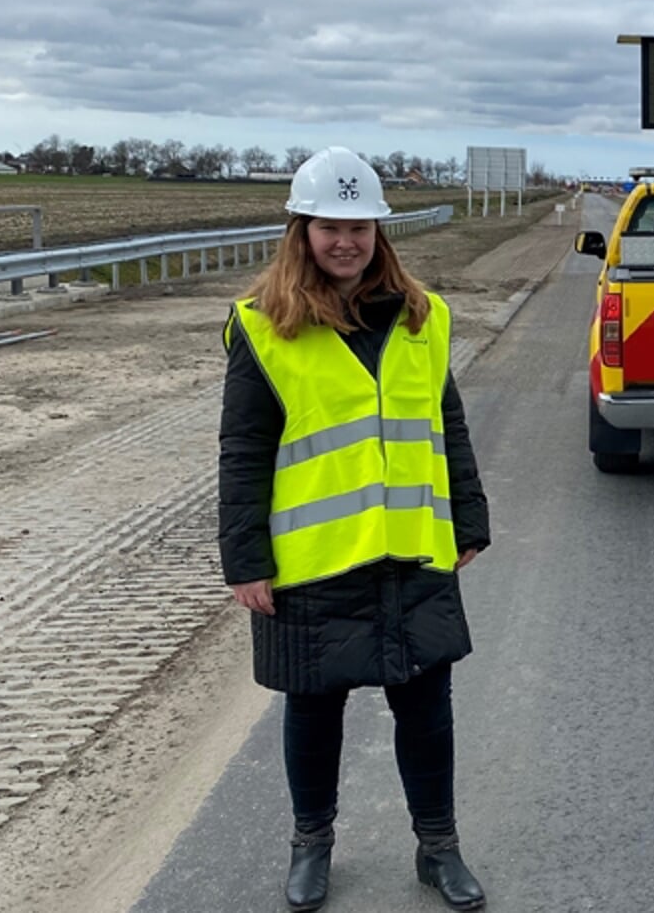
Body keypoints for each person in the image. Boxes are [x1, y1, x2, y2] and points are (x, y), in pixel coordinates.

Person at [216, 146, 490, 912]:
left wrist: (468, 515)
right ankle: (312, 845)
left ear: (380, 232)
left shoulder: (422, 317)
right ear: (301, 231)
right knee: (314, 713)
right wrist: (245, 559)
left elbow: (449, 426)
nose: (347, 242)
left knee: (427, 710)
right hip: (315, 559)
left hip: (411, 552)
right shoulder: (265, 328)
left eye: (361, 227)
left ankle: (439, 848)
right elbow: (243, 453)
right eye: (330, 227)